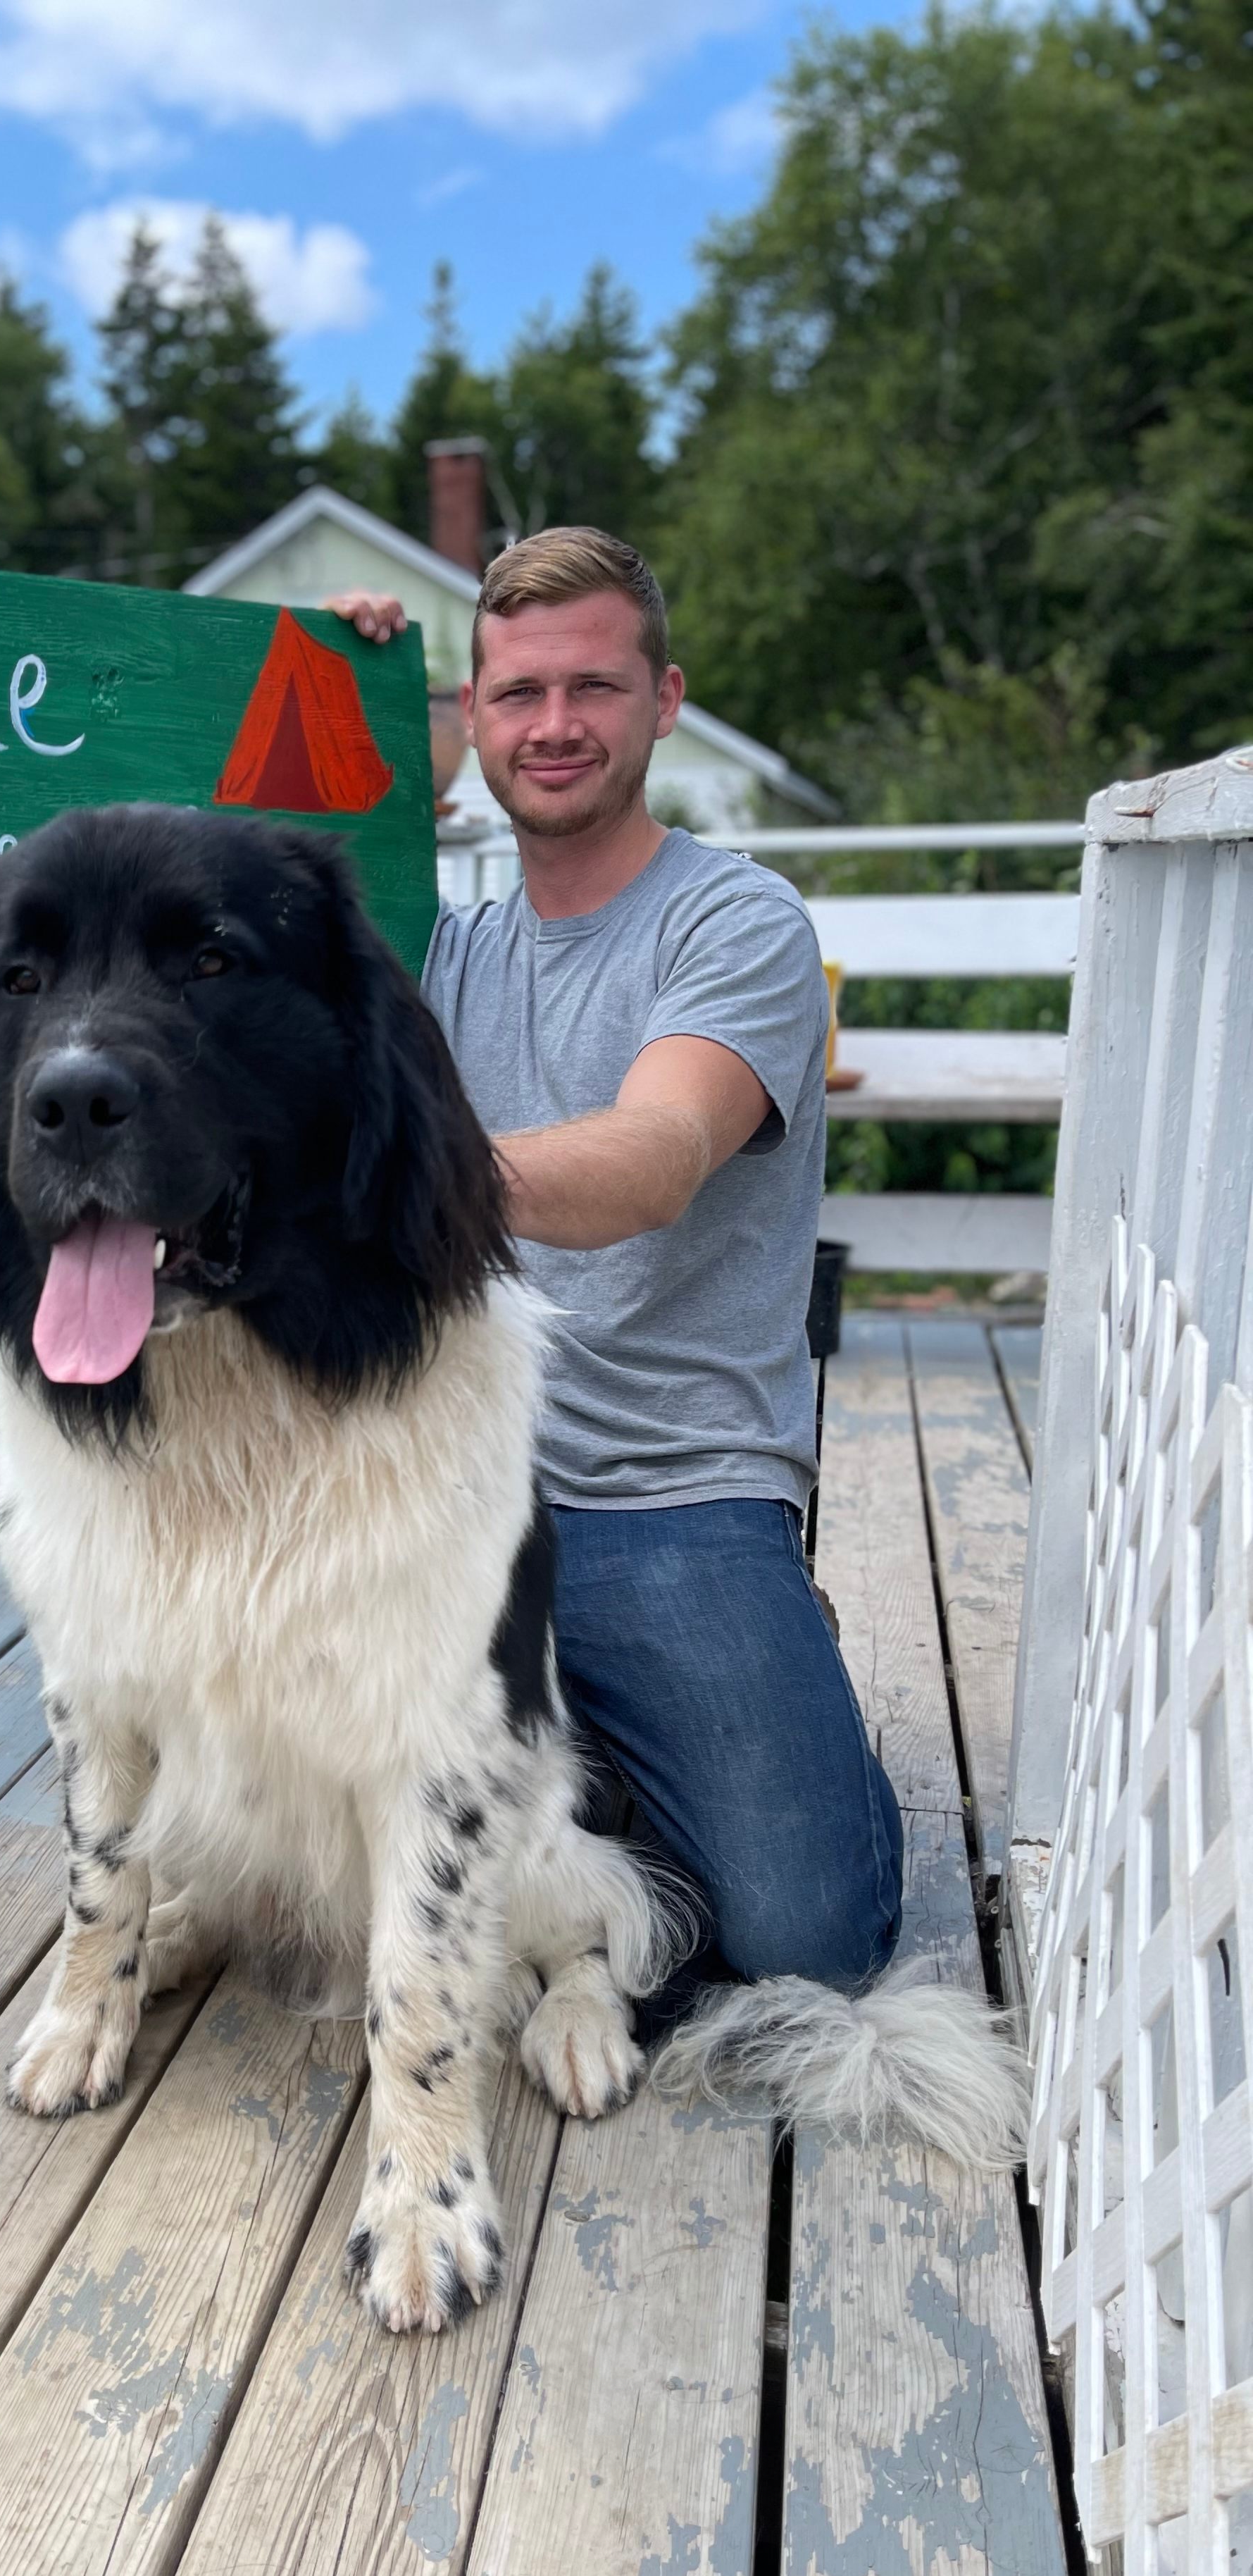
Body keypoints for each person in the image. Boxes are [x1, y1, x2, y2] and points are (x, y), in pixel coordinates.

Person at [331, 531, 902, 2030]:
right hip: (455, 1482)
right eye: (518, 694)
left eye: (595, 684)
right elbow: (252, 920)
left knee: (810, 1937)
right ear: (478, 717)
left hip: (674, 1490)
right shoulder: (444, 951)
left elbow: (650, 1160)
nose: (557, 724)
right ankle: (604, 1789)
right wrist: (344, 679)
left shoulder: (739, 923)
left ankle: (759, 1705)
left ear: (664, 700)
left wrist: (388, 1181)